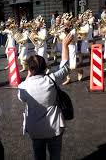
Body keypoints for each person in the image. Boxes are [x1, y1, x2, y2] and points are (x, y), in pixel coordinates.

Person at [17, 30, 73, 160]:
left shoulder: (23, 86)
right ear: (45, 67)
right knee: (55, 156)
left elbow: (21, 98)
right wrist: (64, 46)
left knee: (39, 156)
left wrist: (28, 76)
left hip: (35, 129)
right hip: (54, 127)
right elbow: (65, 68)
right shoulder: (51, 79)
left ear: (30, 69)